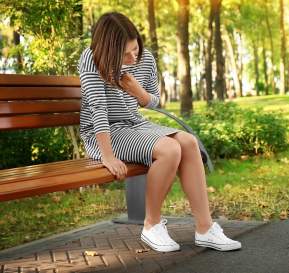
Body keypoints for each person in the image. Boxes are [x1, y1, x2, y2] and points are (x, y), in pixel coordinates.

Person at [78, 12, 241, 252]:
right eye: (125, 54)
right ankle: (151, 224)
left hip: (135, 124)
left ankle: (205, 229)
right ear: (108, 51)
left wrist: (137, 92)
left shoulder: (145, 59)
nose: (133, 57)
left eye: (135, 49)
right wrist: (108, 155)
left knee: (188, 141)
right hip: (103, 134)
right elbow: (98, 109)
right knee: (170, 149)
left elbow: (153, 101)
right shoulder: (91, 59)